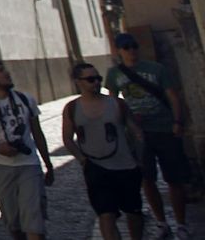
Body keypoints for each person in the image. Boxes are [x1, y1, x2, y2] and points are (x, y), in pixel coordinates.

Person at [106, 32, 193, 239]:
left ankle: (181, 224)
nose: (131, 50)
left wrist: (177, 121)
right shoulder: (114, 74)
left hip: (163, 128)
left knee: (174, 178)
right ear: (119, 50)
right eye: (126, 47)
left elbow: (173, 96)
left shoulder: (156, 69)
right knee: (147, 179)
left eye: (134, 46)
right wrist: (120, 126)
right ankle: (161, 222)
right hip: (137, 134)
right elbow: (113, 101)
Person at [0, 59, 55, 240]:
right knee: (14, 225)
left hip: (29, 165)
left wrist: (48, 163)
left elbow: (37, 133)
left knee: (34, 221)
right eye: (1, 71)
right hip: (1, 168)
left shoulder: (26, 100)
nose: (7, 73)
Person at [63, 61, 146, 240]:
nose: (96, 83)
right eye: (90, 79)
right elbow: (68, 138)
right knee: (106, 215)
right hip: (96, 168)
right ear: (78, 82)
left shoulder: (117, 104)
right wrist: (82, 159)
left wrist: (139, 155)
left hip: (126, 166)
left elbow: (135, 131)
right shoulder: (72, 108)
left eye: (98, 78)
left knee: (134, 213)